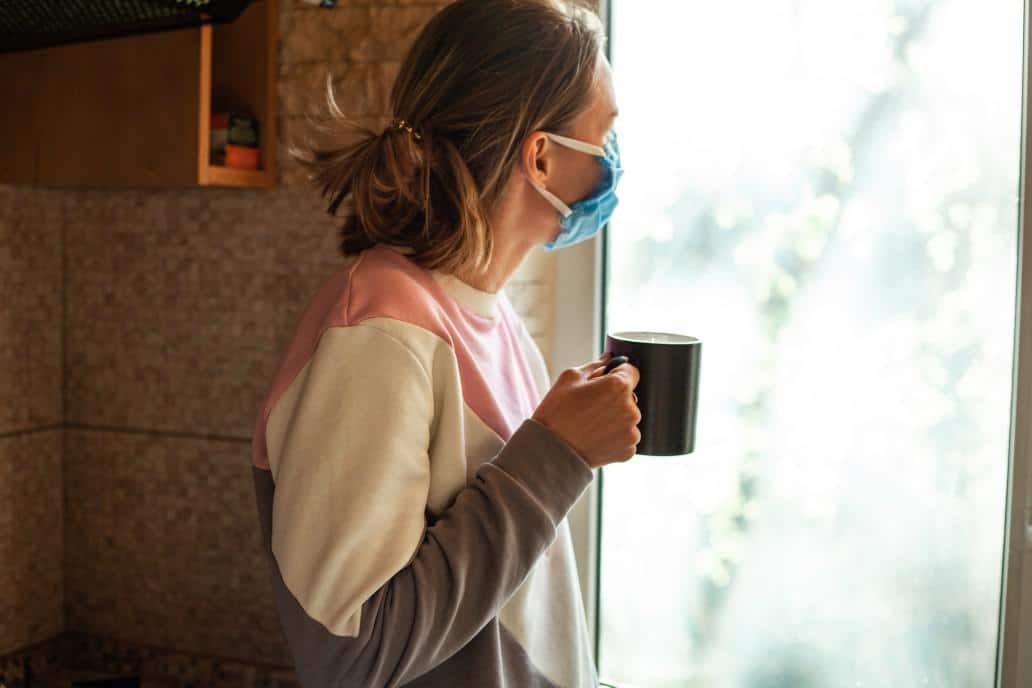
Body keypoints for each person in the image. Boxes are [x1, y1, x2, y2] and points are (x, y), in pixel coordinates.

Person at [249, 1, 641, 686]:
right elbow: (351, 658)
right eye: (604, 136)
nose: (614, 159)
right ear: (542, 158)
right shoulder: (380, 335)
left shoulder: (497, 324)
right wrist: (556, 455)